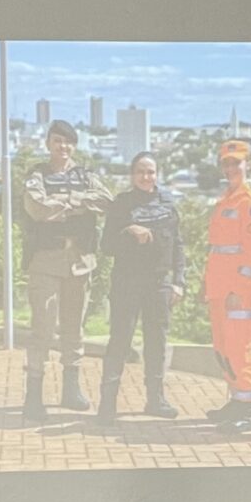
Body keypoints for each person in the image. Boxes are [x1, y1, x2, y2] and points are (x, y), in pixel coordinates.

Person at [19, 120, 113, 418]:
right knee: (43, 329)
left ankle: (71, 390)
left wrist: (67, 201)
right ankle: (33, 394)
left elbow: (107, 201)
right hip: (46, 259)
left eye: (69, 142)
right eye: (58, 141)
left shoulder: (86, 176)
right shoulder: (37, 175)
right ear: (48, 143)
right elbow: (38, 208)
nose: (63, 147)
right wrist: (79, 205)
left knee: (74, 329)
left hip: (79, 260)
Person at [99, 151, 185, 420]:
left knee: (157, 342)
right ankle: (108, 403)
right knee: (120, 341)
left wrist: (179, 282)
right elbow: (106, 246)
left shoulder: (168, 204)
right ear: (132, 175)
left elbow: (178, 246)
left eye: (151, 172)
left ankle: (156, 399)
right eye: (141, 172)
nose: (146, 177)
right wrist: (128, 231)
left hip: (159, 283)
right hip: (127, 281)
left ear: (157, 174)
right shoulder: (121, 204)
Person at [202, 139, 251, 431]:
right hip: (218, 289)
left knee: (240, 350)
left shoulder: (249, 204)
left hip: (238, 292)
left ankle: (248, 411)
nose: (231, 168)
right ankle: (236, 402)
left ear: (247, 164)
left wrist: (238, 291)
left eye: (236, 162)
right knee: (223, 348)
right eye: (226, 163)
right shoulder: (225, 200)